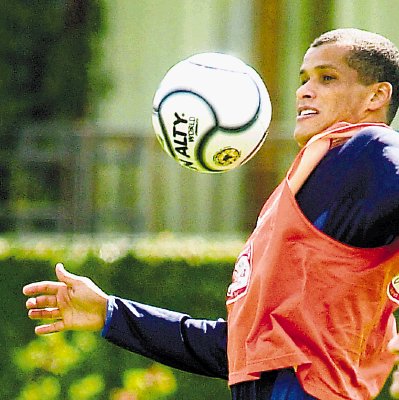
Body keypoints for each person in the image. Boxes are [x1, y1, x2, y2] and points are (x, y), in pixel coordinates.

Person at [23, 28, 399, 400]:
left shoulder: (371, 149)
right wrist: (111, 312)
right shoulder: (303, 188)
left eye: (327, 78)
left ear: (377, 95)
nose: (304, 91)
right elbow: (234, 349)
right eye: (303, 79)